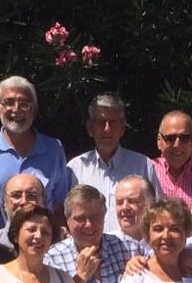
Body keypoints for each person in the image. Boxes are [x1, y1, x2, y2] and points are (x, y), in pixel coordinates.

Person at [0, 75, 74, 209]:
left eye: (24, 103)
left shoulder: (53, 149)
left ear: (34, 110)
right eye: (9, 102)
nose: (16, 109)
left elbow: (60, 204)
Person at [67, 92, 161, 231]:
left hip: (135, 249)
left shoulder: (143, 165)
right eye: (101, 122)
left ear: (123, 128)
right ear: (90, 128)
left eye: (113, 123)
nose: (107, 129)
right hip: (89, 249)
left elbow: (157, 212)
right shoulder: (74, 169)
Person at [152, 110, 192, 207]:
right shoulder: (148, 170)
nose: (177, 145)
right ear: (159, 141)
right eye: (170, 138)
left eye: (184, 138)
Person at [0, 171, 49, 246]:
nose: (24, 201)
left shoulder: (57, 242)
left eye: (31, 195)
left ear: (44, 201)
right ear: (4, 203)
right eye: (16, 196)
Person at [112, 174, 154, 249]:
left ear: (150, 204)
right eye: (119, 202)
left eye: (132, 201)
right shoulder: (106, 246)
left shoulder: (164, 244)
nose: (125, 207)